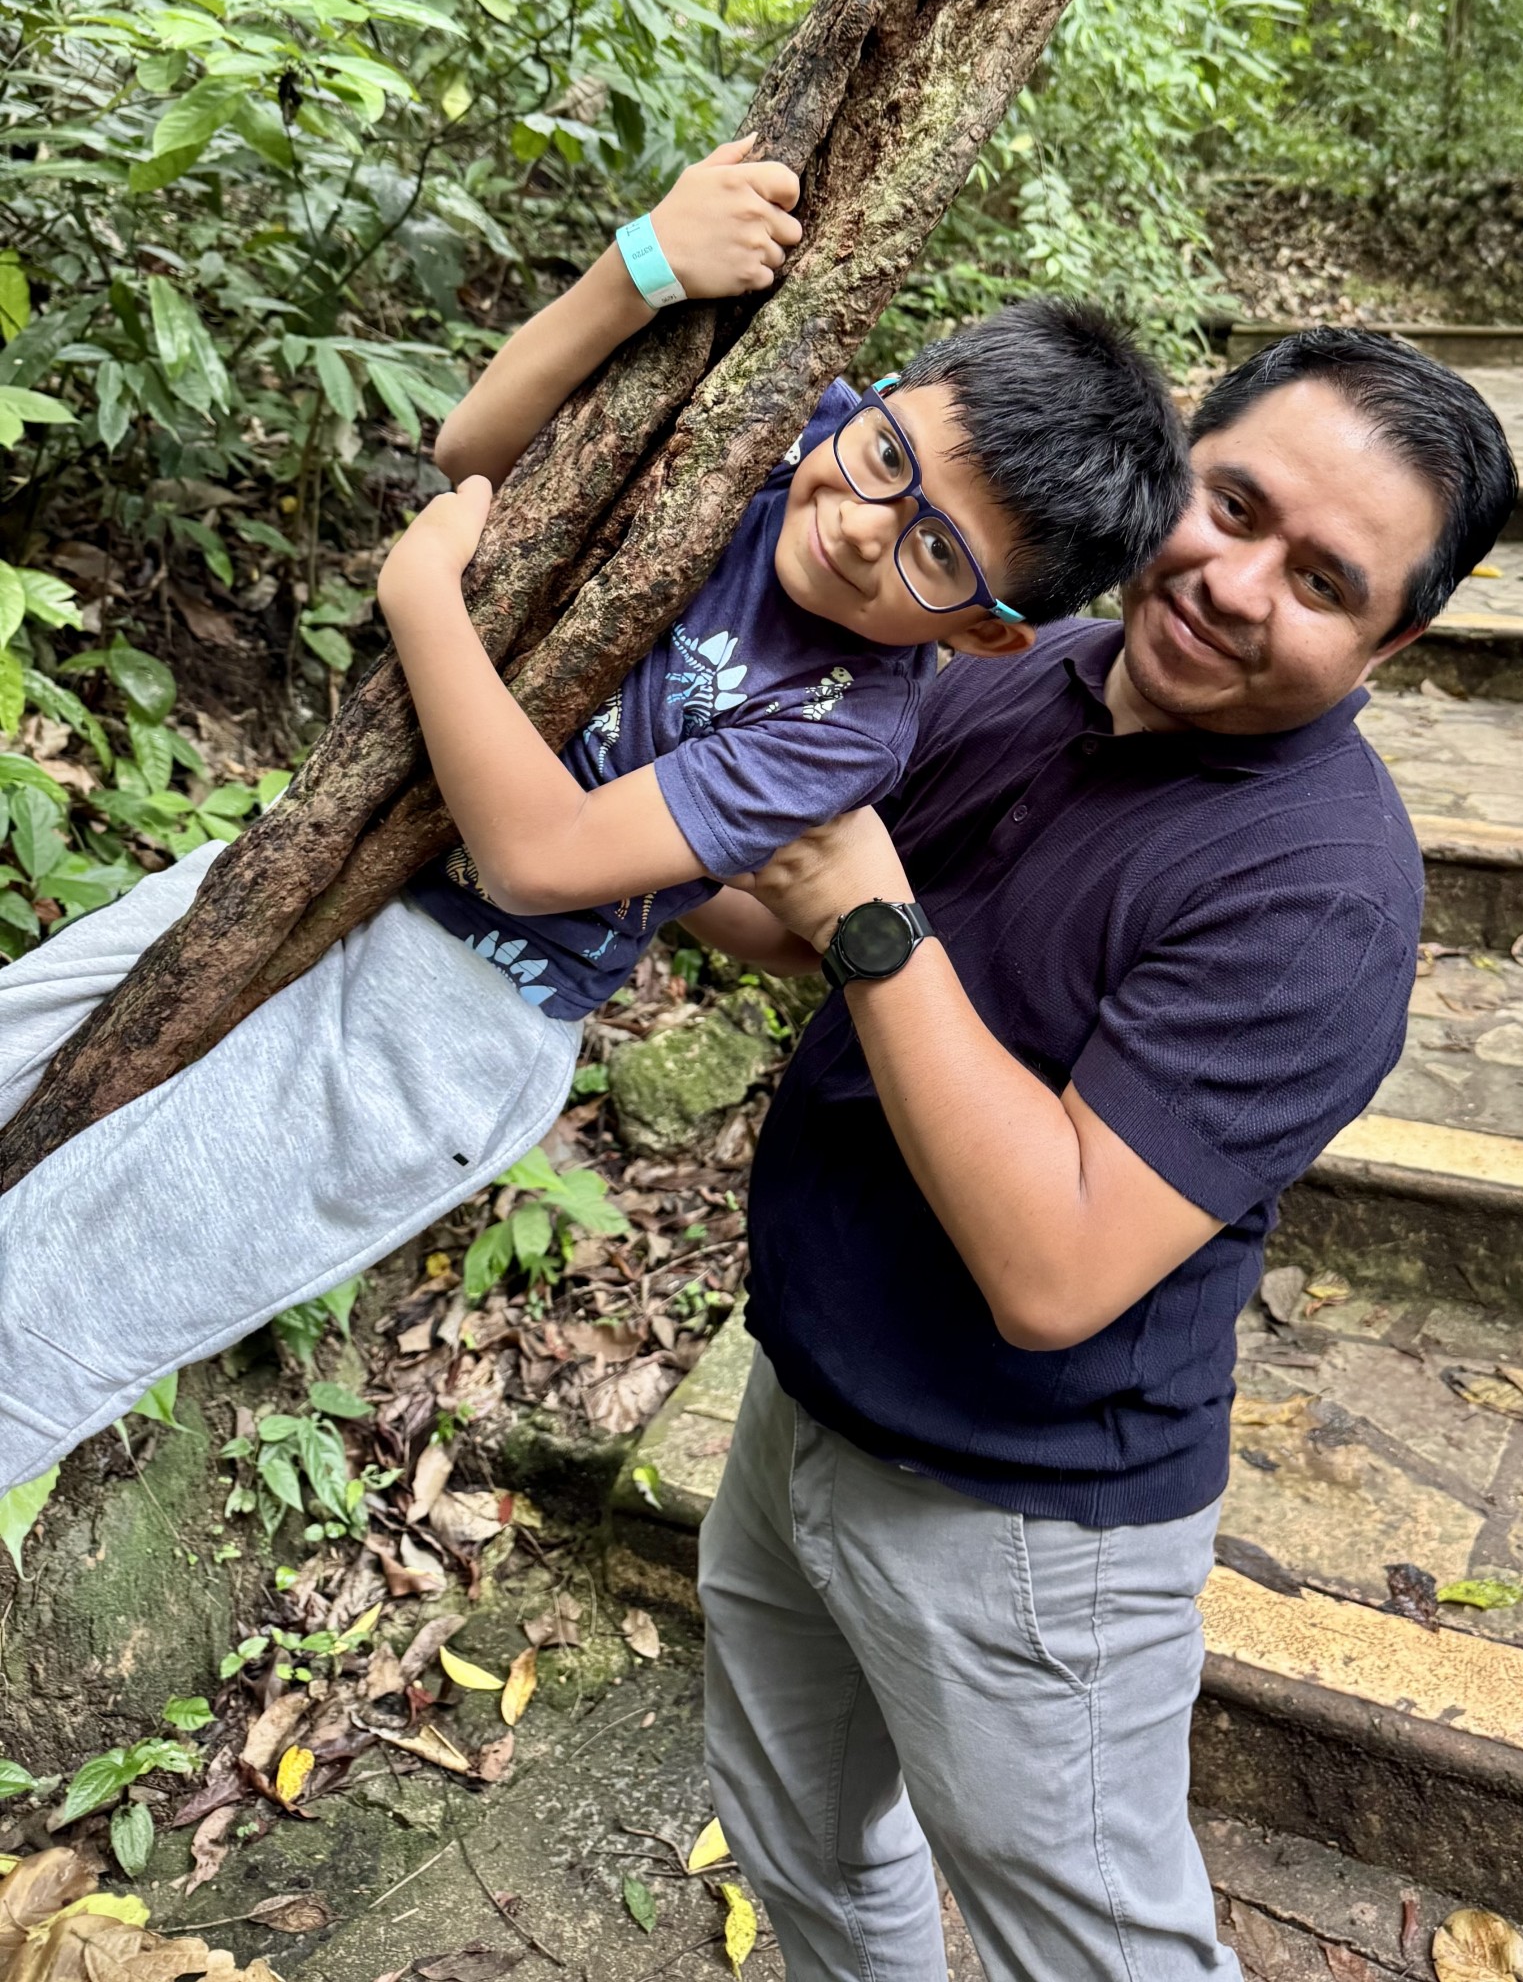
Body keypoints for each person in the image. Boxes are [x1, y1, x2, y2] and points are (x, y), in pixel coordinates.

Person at [0, 146, 1190, 1494]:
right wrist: (645, 265)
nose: (865, 524)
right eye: (887, 457)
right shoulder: (787, 427)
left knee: (70, 1290)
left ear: (985, 632)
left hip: (452, 1016)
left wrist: (425, 610)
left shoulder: (844, 725)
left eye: (934, 553)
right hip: (323, 864)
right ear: (882, 398)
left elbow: (536, 860)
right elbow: (483, 453)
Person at [675, 327, 1518, 1982]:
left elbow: (1057, 1265)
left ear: (1392, 643)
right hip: (804, 1398)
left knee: (1094, 1943)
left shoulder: (1320, 895)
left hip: (1027, 1526)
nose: (1229, 581)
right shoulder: (1024, 662)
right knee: (799, 1841)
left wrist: (861, 909)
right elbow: (799, 919)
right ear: (1178, 464)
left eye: (1325, 580)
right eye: (1232, 503)